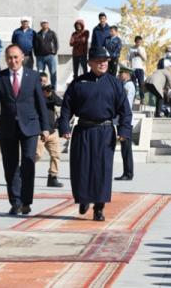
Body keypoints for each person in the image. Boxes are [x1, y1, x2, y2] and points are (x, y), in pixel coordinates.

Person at [59, 47, 132, 220]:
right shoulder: (78, 83)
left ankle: (99, 207)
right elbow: (66, 108)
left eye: (105, 61)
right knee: (81, 168)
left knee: (102, 170)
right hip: (83, 130)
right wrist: (64, 127)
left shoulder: (115, 84)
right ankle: (84, 199)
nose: (103, 64)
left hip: (105, 132)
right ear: (90, 63)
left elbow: (125, 111)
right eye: (99, 61)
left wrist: (123, 130)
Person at [0, 44, 50, 215]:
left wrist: (45, 127)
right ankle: (15, 201)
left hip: (30, 126)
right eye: (9, 58)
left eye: (16, 57)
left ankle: (26, 201)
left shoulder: (33, 76)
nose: (13, 61)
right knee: (11, 166)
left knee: (28, 163)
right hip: (7, 128)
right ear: (5, 59)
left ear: (22, 57)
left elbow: (40, 103)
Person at [36, 82, 64, 188]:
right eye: (41, 82)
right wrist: (43, 95)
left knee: (56, 155)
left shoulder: (50, 95)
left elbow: (60, 102)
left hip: (52, 132)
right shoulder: (35, 94)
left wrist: (50, 95)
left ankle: (52, 178)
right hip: (39, 132)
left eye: (45, 82)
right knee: (37, 155)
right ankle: (22, 172)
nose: (44, 84)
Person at [115, 66, 135, 181]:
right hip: (122, 119)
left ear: (127, 74)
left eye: (121, 73)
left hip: (125, 120)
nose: (119, 75)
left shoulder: (128, 85)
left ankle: (128, 173)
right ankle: (126, 172)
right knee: (124, 149)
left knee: (126, 149)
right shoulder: (125, 85)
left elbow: (124, 103)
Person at [34, 19, 59, 88]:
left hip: (50, 57)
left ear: (48, 24)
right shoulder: (37, 34)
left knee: (53, 73)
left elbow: (56, 43)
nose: (44, 24)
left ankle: (54, 88)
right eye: (43, 23)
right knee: (40, 73)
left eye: (45, 23)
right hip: (40, 58)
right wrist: (36, 54)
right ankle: (41, 88)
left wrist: (54, 52)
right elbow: (35, 45)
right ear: (41, 25)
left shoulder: (52, 33)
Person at [128, 36, 147, 102]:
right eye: (137, 42)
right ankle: (133, 97)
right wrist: (129, 67)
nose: (139, 43)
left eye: (140, 42)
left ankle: (142, 98)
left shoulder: (142, 49)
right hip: (133, 68)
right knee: (133, 83)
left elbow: (145, 59)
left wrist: (140, 54)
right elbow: (128, 59)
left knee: (141, 83)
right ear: (135, 42)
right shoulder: (131, 49)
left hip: (140, 68)